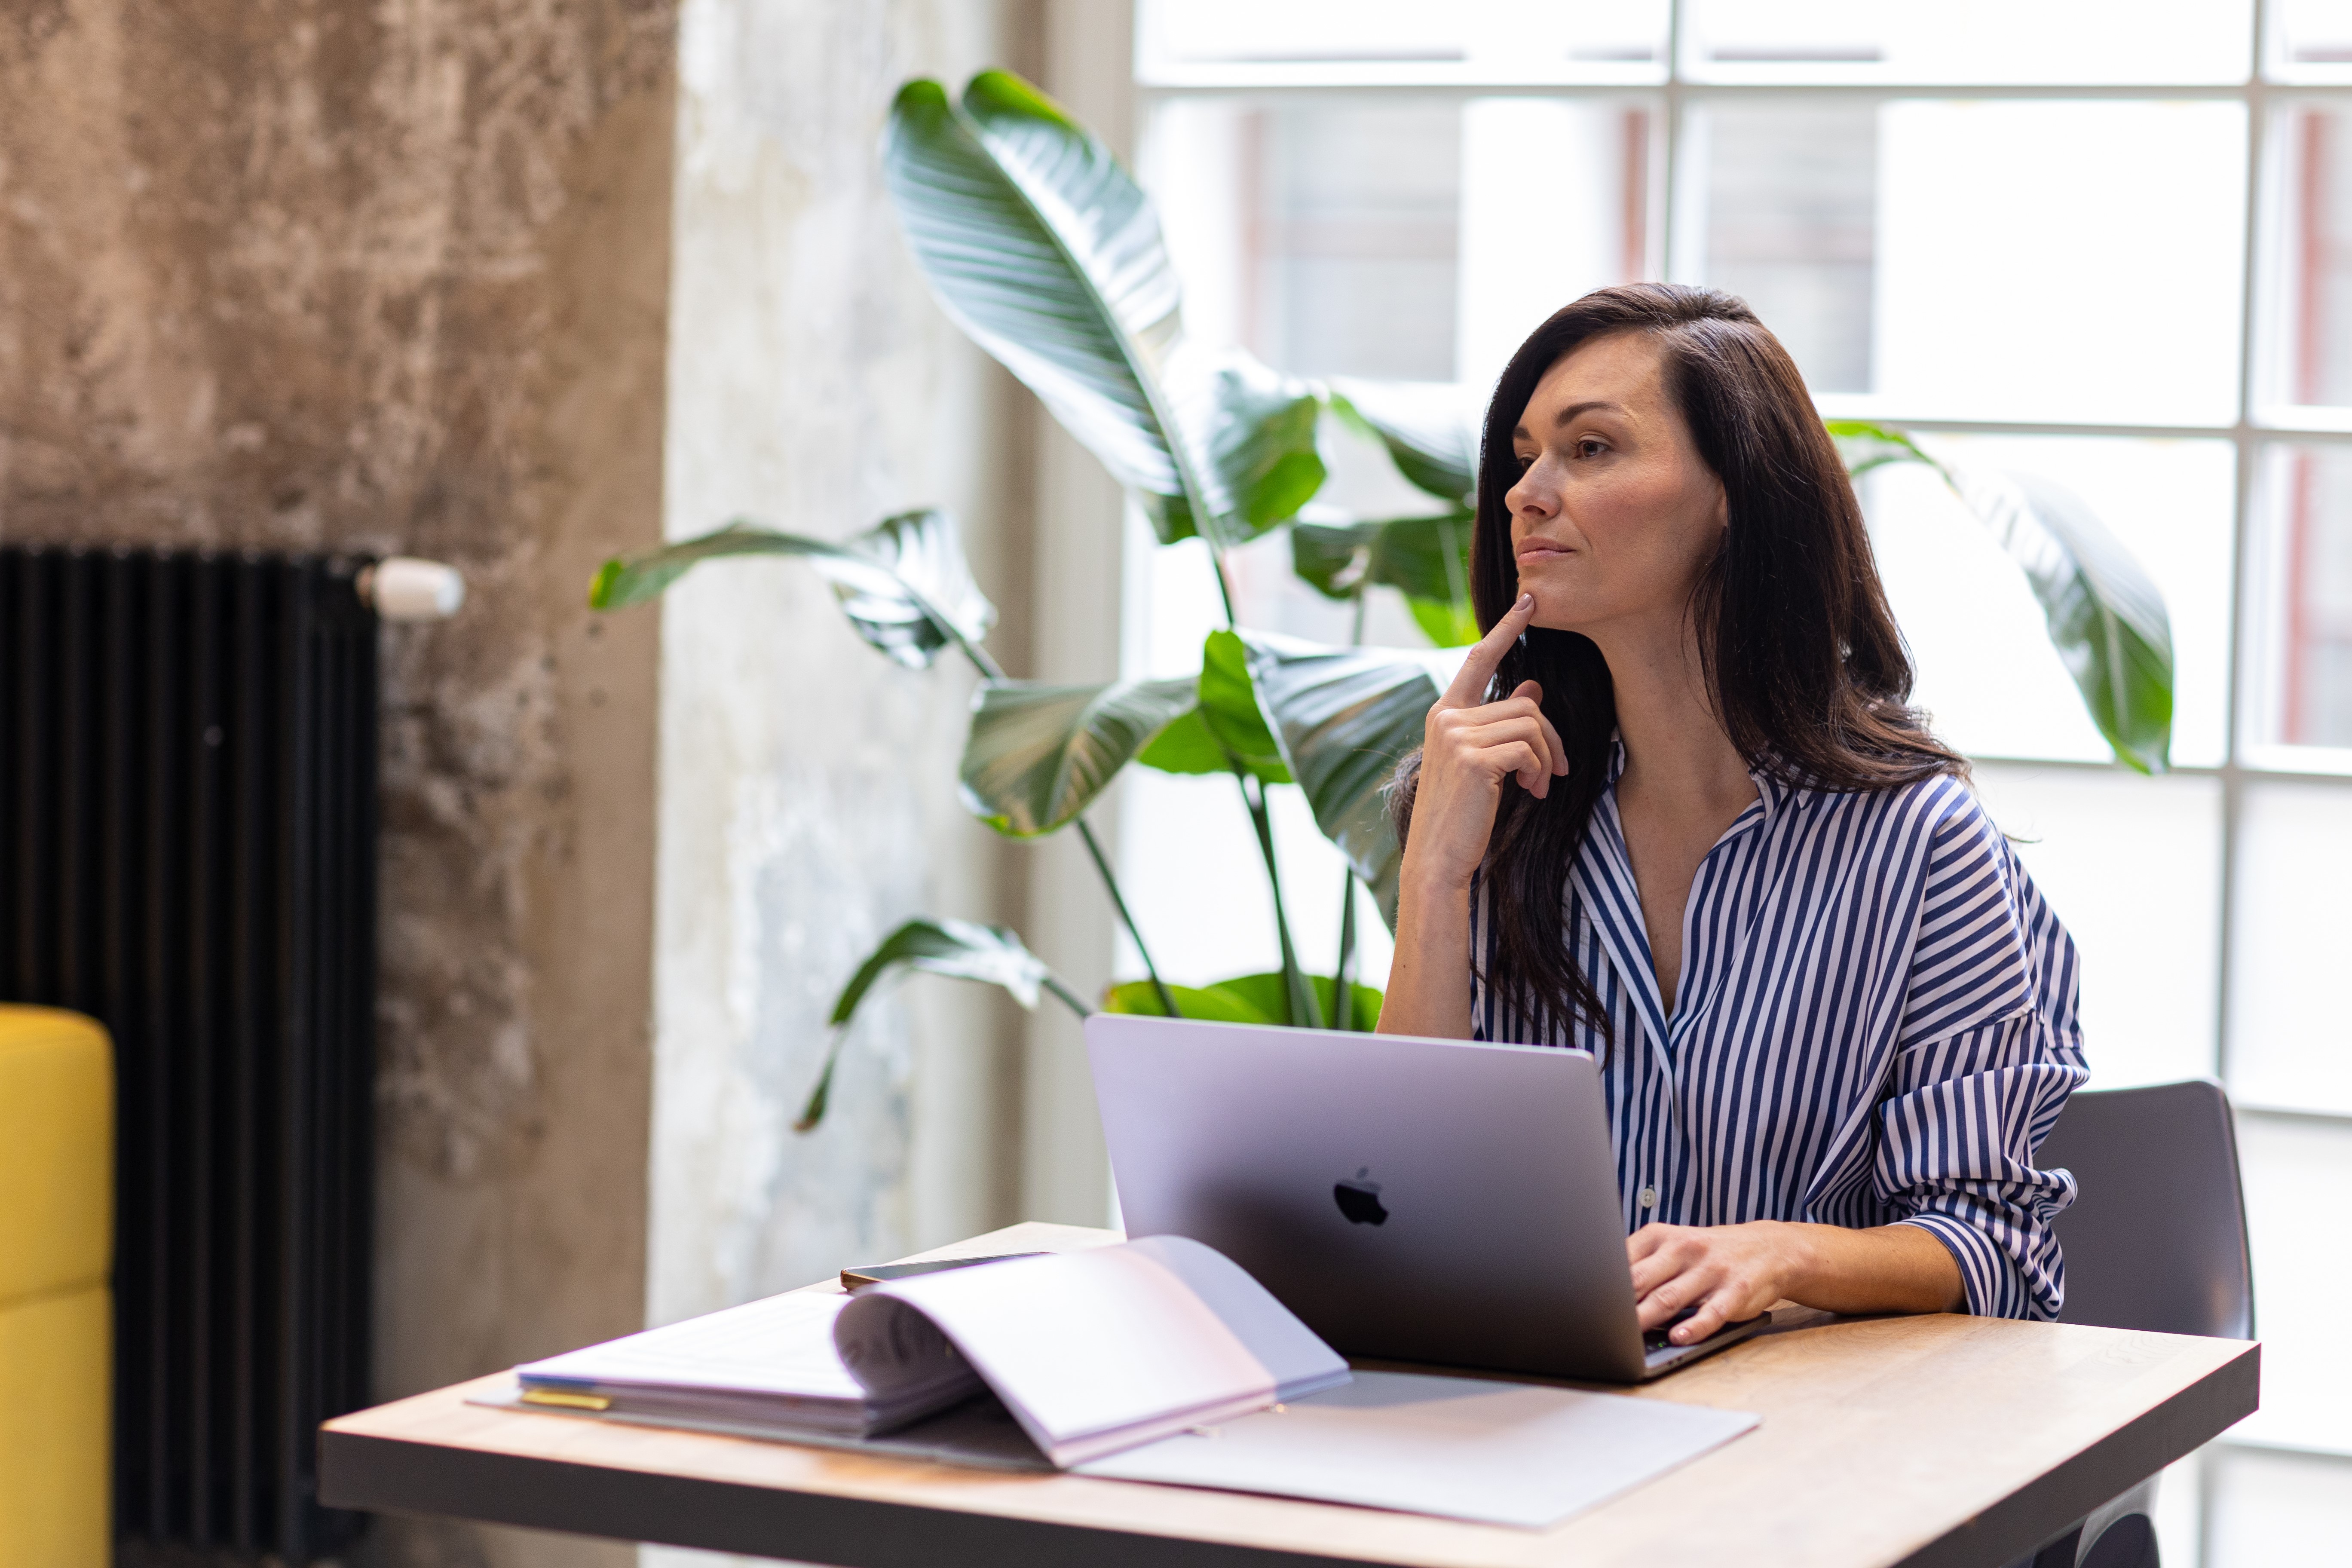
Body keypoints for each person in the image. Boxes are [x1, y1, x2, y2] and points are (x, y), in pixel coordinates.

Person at [1378, 283, 2087, 1348]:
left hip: (1808, 1420)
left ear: (1734, 496)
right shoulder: (1499, 816)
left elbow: (1997, 1249)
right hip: (1528, 1395)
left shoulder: (1923, 847)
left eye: (1591, 448)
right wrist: (1434, 880)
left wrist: (1780, 1255)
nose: (1526, 492)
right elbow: (1399, 1198)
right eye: (1524, 456)